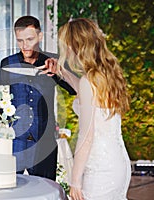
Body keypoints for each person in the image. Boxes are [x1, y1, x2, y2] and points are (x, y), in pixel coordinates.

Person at [41, 18, 131, 199]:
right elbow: (88, 96)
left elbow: (86, 137)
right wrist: (63, 73)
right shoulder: (105, 74)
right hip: (119, 163)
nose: (64, 49)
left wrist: (75, 180)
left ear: (76, 45)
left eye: (65, 44)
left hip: (101, 169)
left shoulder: (88, 81)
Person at [0, 15, 77, 181]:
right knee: (11, 189)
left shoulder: (54, 62)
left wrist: (60, 71)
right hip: (15, 143)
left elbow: (74, 90)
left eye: (29, 39)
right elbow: (1, 102)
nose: (25, 45)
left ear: (40, 36)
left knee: (46, 189)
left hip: (45, 142)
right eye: (20, 40)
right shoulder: (7, 63)